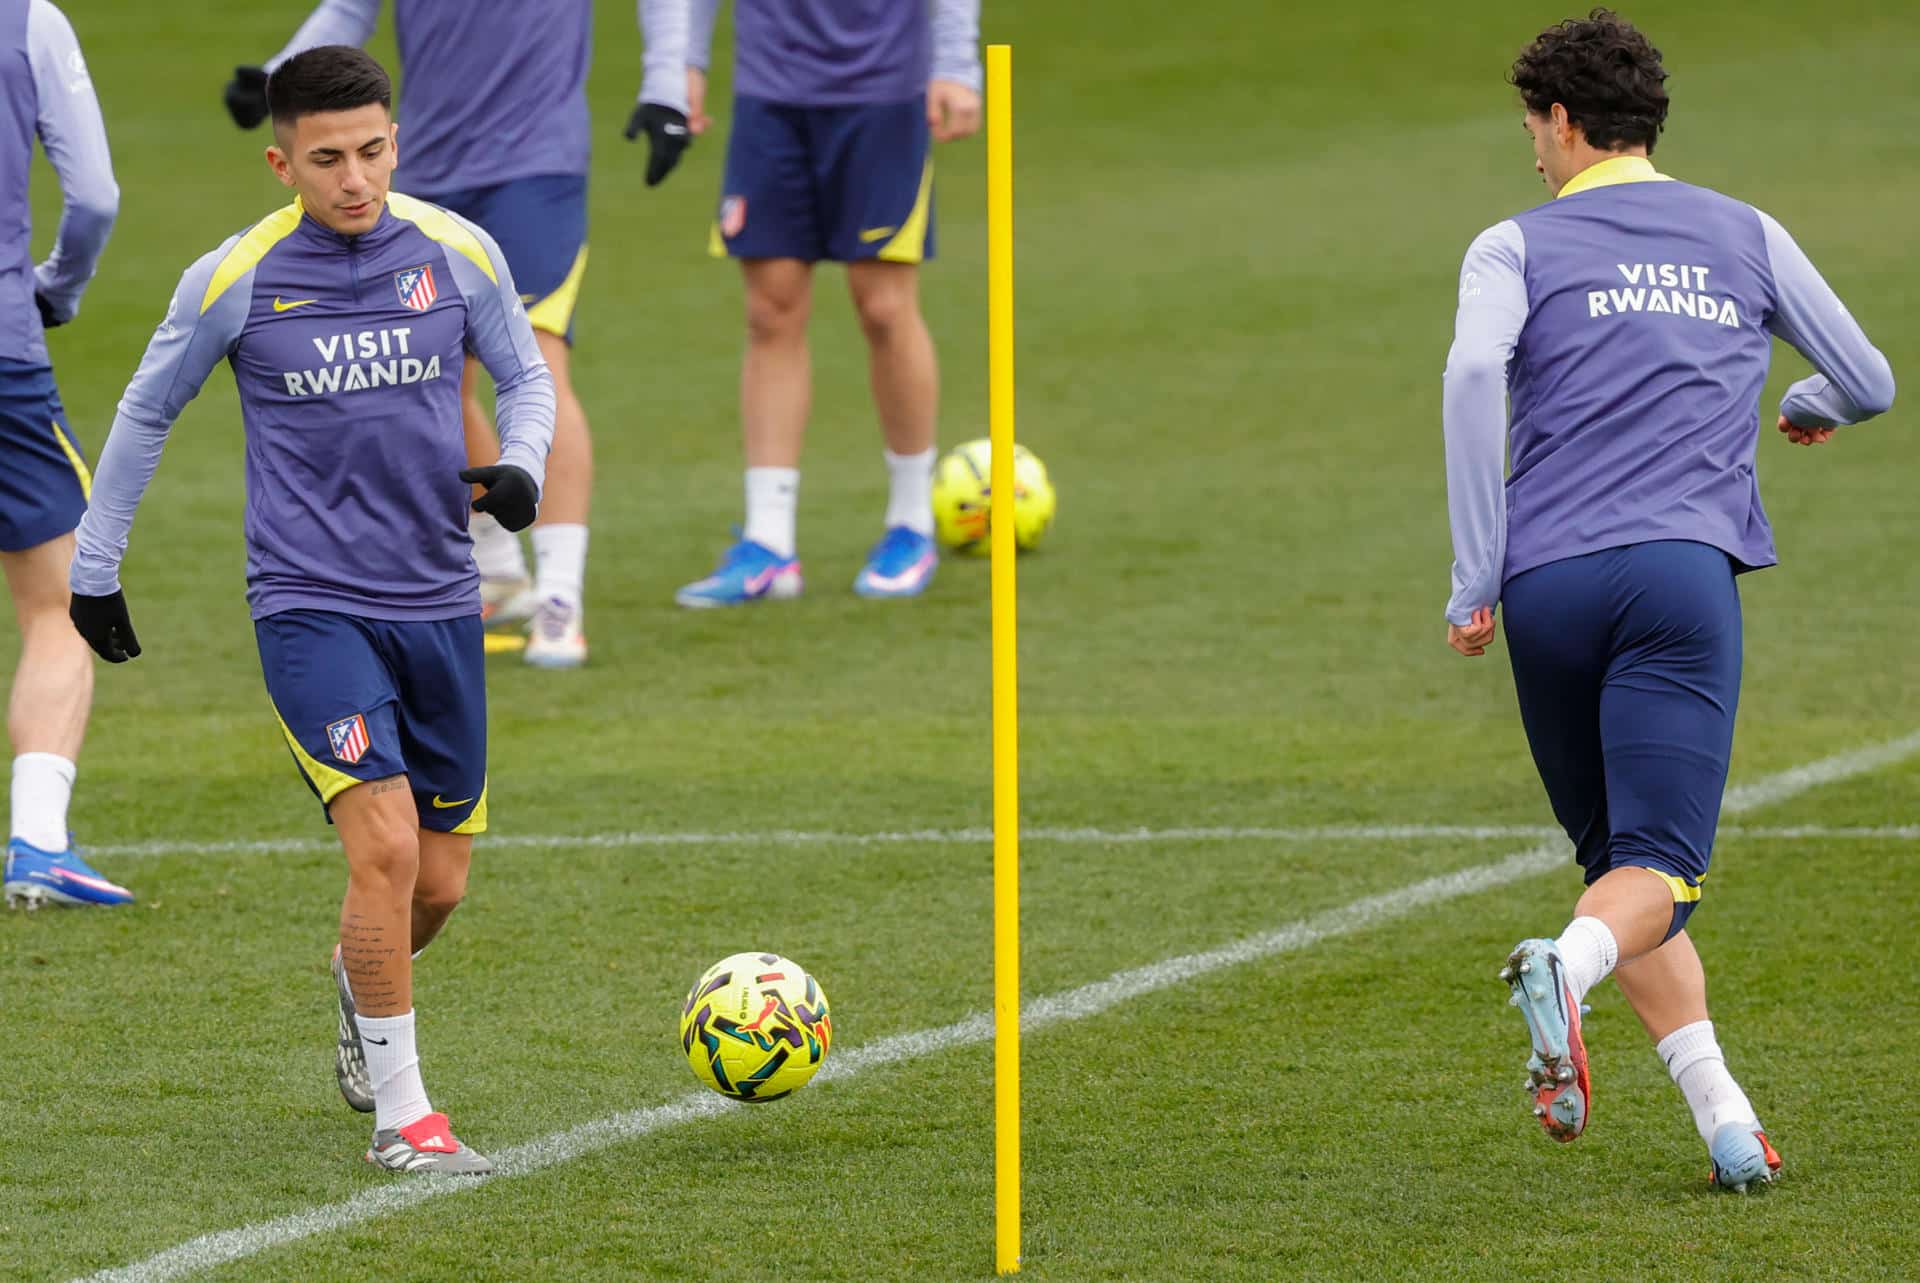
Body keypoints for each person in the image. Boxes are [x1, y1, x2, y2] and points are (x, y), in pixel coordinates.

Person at [70, 46, 555, 1173]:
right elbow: (146, 415)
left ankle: (361, 977)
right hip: (308, 602)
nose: (356, 178)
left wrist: (520, 467)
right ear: (282, 161)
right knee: (382, 845)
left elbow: (525, 377)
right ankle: (406, 1119)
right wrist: (95, 569)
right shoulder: (234, 276)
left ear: (396, 141)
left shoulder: (457, 252)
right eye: (328, 159)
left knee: (437, 882)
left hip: (441, 599)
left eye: (374, 151)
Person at [1442, 9, 1894, 1190]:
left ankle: (1727, 1123)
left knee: (1620, 875)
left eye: (1534, 128)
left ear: (1562, 119)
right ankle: (1563, 968)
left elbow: (1475, 372)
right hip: (1679, 581)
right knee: (1657, 874)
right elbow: (1870, 377)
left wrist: (1470, 576)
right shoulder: (1746, 232)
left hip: (1546, 585)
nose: (1532, 152)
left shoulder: (1513, 244)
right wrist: (1810, 410)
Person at [224, 0, 693, 666]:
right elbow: (350, 9)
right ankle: (499, 567)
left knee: (536, 365)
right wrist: (277, 79)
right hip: (421, 173)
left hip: (533, 171)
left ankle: (561, 597)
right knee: (436, 375)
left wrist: (666, 88)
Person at [673, 0, 982, 607]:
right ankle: (769, 544)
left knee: (884, 307)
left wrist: (956, 63)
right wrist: (681, 63)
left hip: (885, 90)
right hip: (771, 92)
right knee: (771, 309)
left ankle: (911, 523)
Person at [0, 0, 128, 909]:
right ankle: (38, 843)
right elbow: (94, 199)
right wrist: (57, 289)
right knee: (60, 600)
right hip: (3, 351)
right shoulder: (29, 20)